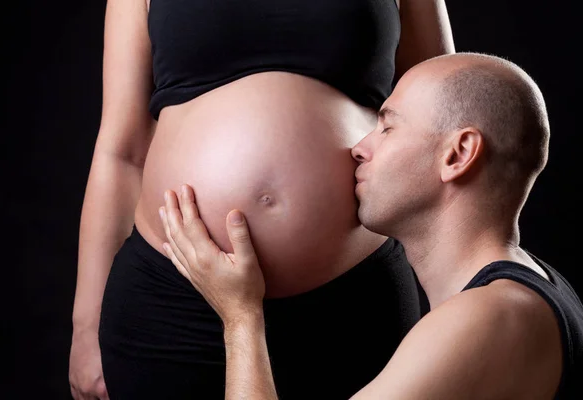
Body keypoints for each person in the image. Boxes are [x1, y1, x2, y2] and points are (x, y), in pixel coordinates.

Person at [68, 0, 456, 399]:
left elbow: (447, 129)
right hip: (175, 291)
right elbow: (121, 154)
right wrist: (85, 329)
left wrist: (460, 311)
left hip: (354, 297)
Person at [159, 52, 583, 399]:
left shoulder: (489, 318)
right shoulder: (532, 289)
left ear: (458, 155)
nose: (360, 148)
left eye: (387, 126)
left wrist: (240, 316)